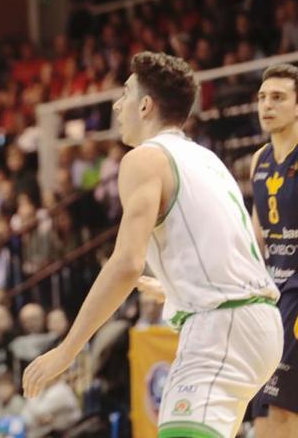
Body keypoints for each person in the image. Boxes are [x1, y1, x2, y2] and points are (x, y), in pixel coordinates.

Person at [22, 52, 282, 438]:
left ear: (145, 105)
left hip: (222, 327)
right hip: (254, 323)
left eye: (125, 94)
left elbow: (126, 263)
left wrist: (67, 349)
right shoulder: (205, 158)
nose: (117, 104)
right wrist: (175, 287)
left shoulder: (144, 159)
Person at [249, 64, 298, 437]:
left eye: (278, 97)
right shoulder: (259, 159)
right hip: (272, 296)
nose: (267, 105)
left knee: (280, 414)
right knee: (267, 415)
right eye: (263, 97)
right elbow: (254, 237)